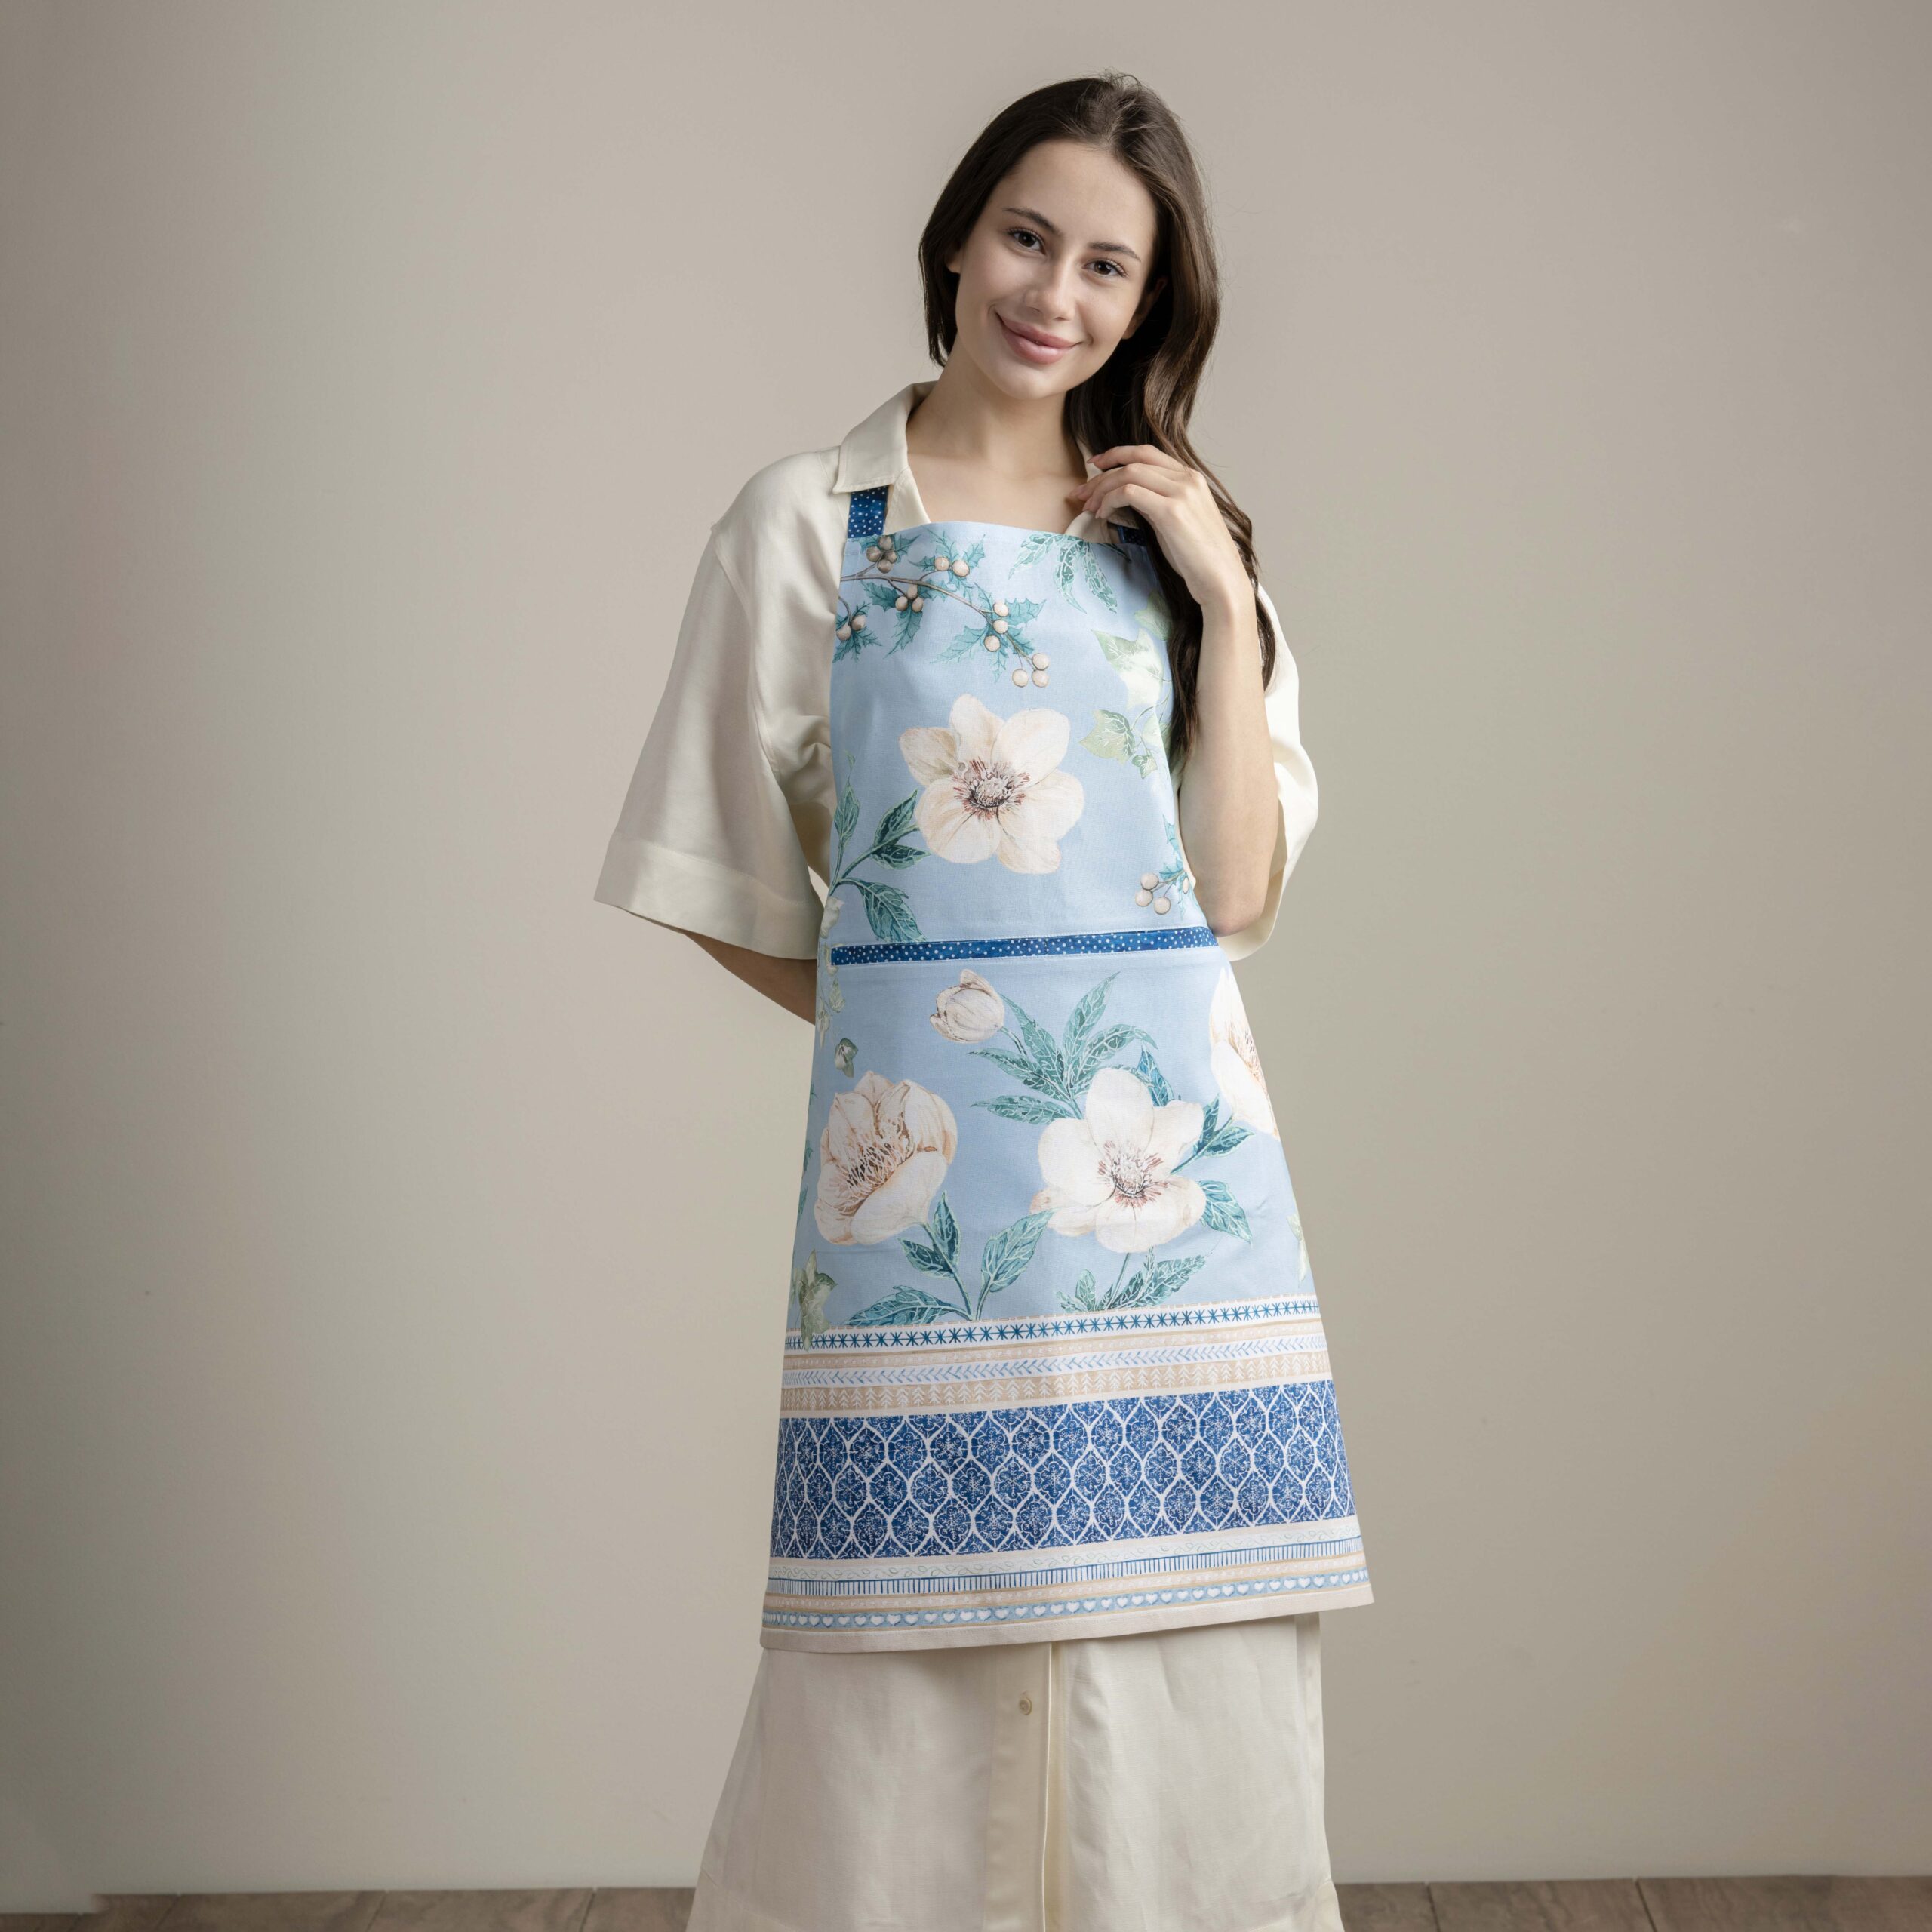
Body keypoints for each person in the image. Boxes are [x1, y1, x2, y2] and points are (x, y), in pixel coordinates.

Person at [595, 69, 1372, 1932]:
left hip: (1170, 1192)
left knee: (1185, 1631)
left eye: (1109, 266)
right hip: (921, 1192)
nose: (1055, 293)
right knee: (896, 1644)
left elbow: (1234, 894)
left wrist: (1222, 596)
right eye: (1029, 237)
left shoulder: (1177, 545)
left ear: (1150, 302)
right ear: (954, 239)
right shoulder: (809, 521)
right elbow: (712, 870)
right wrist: (925, 1036)